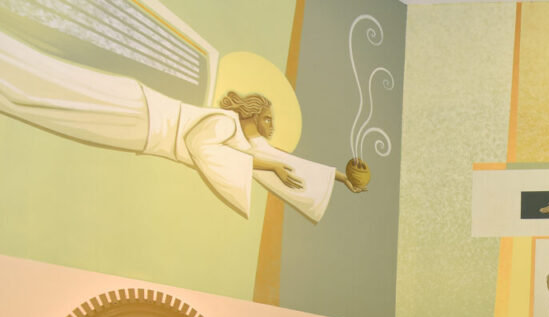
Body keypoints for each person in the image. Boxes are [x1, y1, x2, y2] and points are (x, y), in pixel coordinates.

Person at [0, 31, 363, 223]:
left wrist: (339, 178)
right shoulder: (224, 122)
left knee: (46, 108)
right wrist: (270, 165)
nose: (271, 126)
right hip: (140, 112)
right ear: (252, 114)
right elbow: (201, 145)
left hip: (140, 130)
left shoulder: (240, 143)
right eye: (268, 118)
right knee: (50, 87)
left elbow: (275, 160)